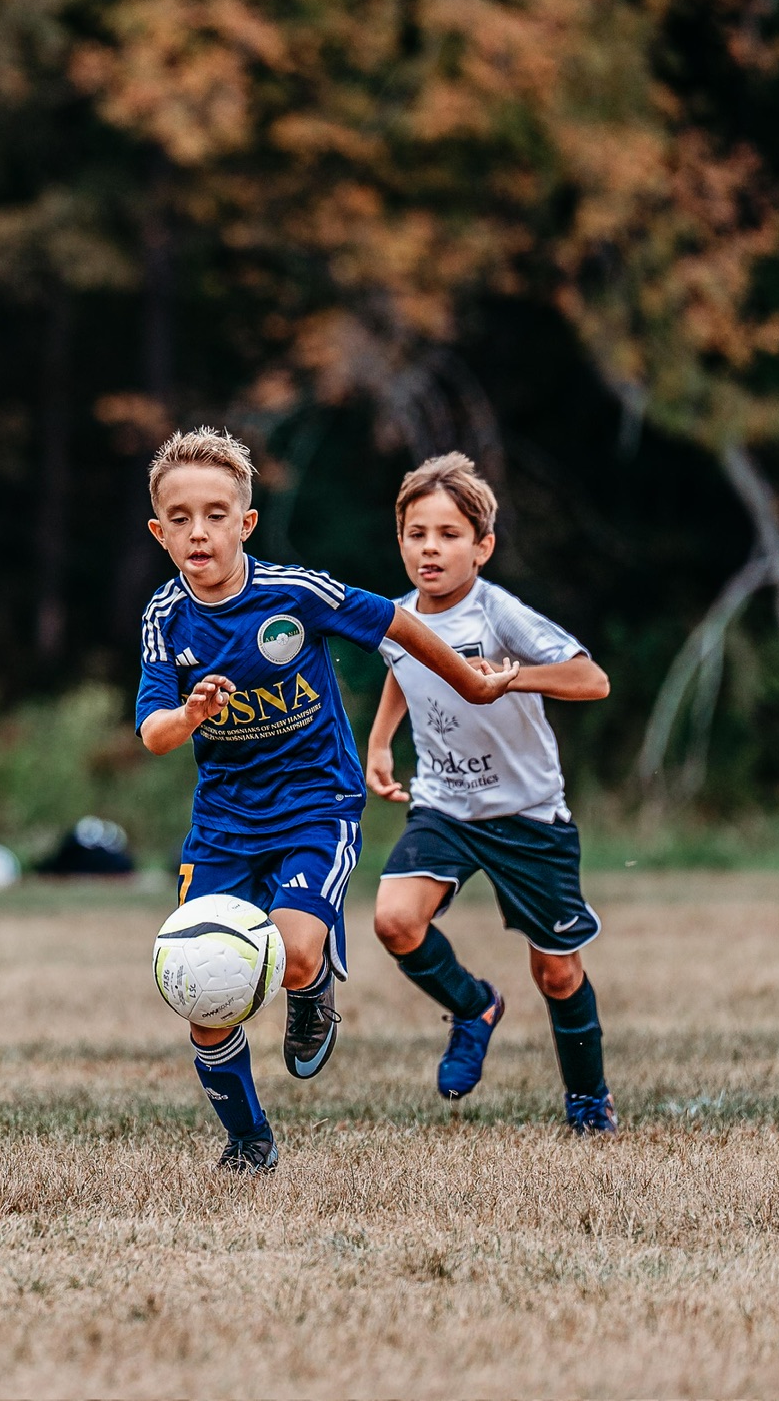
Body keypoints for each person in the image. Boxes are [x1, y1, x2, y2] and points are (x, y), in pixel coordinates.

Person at [136, 428, 520, 1174]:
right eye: (180, 519)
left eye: (215, 515)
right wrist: (190, 716)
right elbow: (154, 732)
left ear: (246, 523)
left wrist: (471, 683)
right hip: (222, 825)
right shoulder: (165, 618)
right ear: (160, 533)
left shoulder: (296, 594)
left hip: (317, 803)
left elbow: (396, 623)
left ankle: (311, 991)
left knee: (293, 953)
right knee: (200, 991)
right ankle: (249, 1140)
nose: (198, 532)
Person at [365, 453, 619, 1134]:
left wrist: (509, 678)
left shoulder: (499, 613)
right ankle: (474, 1007)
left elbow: (592, 680)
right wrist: (381, 741)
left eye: (448, 535)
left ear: (482, 547)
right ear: (400, 542)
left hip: (527, 814)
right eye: (417, 533)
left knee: (557, 974)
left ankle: (588, 1099)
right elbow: (403, 665)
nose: (430, 548)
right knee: (395, 920)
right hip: (445, 806)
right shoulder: (397, 617)